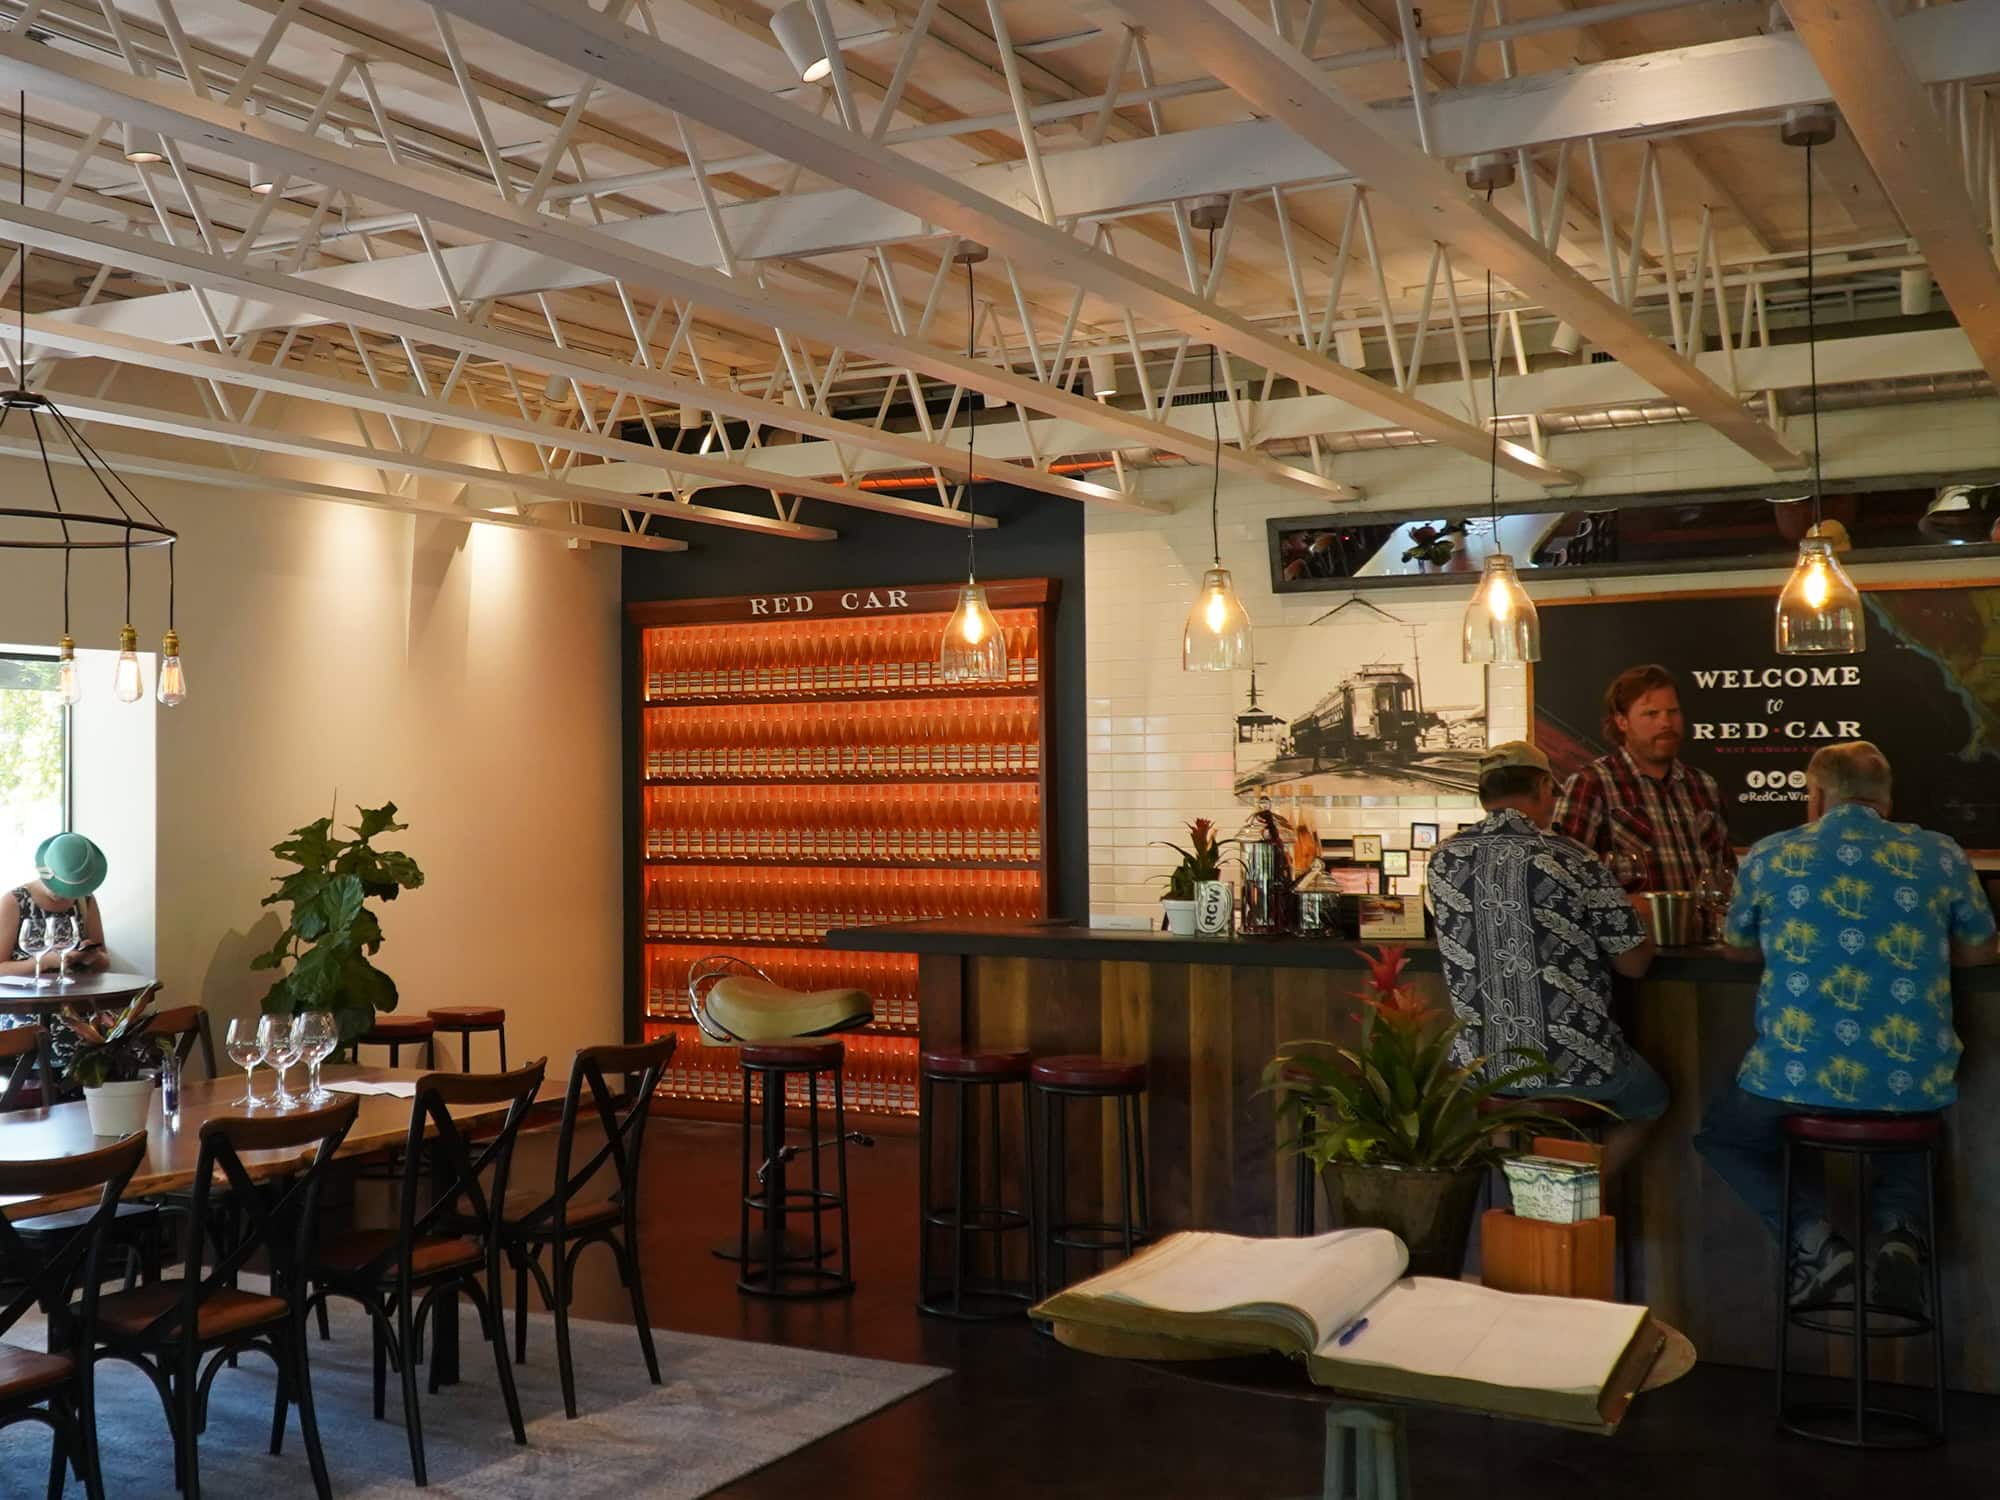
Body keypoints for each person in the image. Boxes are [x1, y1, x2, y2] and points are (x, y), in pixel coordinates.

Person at [1694, 742, 1998, 1310]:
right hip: (1910, 1072)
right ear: (1887, 797)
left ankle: (1815, 1240)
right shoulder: (1940, 853)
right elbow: (1981, 953)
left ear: (1816, 795)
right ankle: (1900, 1235)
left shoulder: (1769, 855)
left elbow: (1736, 951)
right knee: (1907, 1105)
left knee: (1724, 1137)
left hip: (1794, 1074)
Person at [1428, 741, 1662, 1181]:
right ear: (1540, 787)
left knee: (1504, 1117)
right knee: (1650, 1100)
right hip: (1573, 1066)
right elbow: (1634, 965)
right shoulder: (1572, 857)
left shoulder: (1442, 859)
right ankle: (1572, 1196)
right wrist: (1641, 918)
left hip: (1482, 1071)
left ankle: (1522, 1198)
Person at [1554, 663, 1735, 893]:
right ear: (1622, 721)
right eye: (1651, 714)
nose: (1666, 723)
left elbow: (1727, 872)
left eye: (1673, 712)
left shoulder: (1705, 786)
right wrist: (1627, 906)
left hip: (1705, 929)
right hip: (1629, 929)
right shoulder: (1591, 784)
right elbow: (1562, 877)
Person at [0, 833, 111, 997]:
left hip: (78, 1002)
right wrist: (46, 961)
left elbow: (105, 963)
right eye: (59, 886)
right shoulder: (15, 901)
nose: (63, 895)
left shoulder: (85, 900)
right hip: (28, 1006)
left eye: (70, 890)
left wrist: (91, 957)